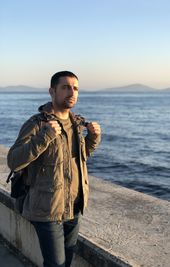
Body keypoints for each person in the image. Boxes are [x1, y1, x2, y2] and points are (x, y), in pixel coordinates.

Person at [7, 71, 101, 267]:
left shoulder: (77, 124)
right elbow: (14, 161)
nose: (71, 92)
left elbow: (78, 159)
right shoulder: (37, 124)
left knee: (66, 263)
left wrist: (92, 139)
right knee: (55, 264)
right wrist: (44, 137)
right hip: (48, 210)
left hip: (74, 207)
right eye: (65, 87)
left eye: (75, 88)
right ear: (52, 91)